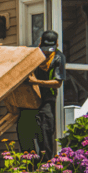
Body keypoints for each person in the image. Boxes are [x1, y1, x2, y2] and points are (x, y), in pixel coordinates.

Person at [27, 30, 66, 161]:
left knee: (45, 128)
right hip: (30, 97)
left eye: (50, 49)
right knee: (29, 129)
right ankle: (30, 162)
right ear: (40, 41)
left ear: (57, 44)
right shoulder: (34, 54)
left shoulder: (58, 58)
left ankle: (47, 161)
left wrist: (36, 82)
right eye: (45, 48)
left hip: (47, 98)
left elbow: (57, 83)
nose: (47, 52)